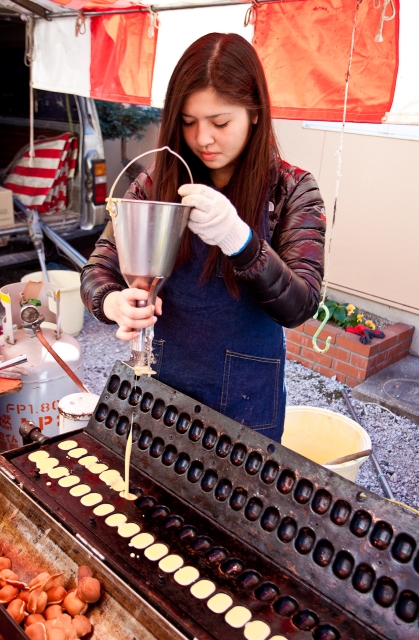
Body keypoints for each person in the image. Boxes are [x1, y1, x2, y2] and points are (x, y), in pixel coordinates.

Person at [81, 32, 326, 444]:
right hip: (168, 379)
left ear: (254, 113)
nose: (203, 139)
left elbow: (299, 304)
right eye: (189, 122)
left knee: (237, 500)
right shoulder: (158, 184)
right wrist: (112, 302)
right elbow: (98, 268)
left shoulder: (292, 189)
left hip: (249, 392)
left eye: (220, 122)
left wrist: (241, 241)